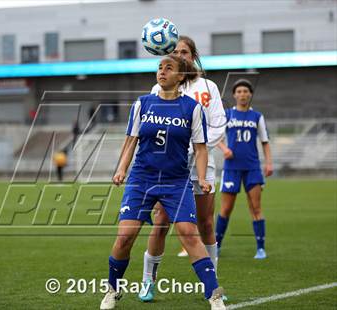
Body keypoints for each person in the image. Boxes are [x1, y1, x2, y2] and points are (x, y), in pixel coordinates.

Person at [100, 55, 226, 310]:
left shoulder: (192, 108)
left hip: (176, 181)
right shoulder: (142, 104)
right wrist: (121, 169)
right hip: (142, 179)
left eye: (169, 68)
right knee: (125, 237)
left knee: (190, 235)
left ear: (181, 77)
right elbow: (131, 141)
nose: (162, 71)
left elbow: (200, 149)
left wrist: (201, 178)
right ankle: (112, 290)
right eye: (159, 67)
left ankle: (214, 295)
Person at [138, 35, 226, 302]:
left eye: (184, 52)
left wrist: (197, 149)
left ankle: (212, 285)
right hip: (167, 167)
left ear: (193, 56)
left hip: (202, 164)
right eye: (174, 51)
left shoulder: (207, 86)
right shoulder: (159, 88)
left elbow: (218, 124)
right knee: (161, 223)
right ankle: (147, 281)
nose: (179, 55)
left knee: (206, 223)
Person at [215, 79, 273, 259]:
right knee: (225, 209)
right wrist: (225, 149)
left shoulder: (257, 117)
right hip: (231, 168)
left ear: (250, 95)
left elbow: (265, 142)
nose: (242, 94)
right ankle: (216, 247)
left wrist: (269, 163)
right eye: (239, 91)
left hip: (252, 168)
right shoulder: (226, 115)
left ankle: (260, 248)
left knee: (256, 208)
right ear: (234, 95)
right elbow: (215, 137)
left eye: (245, 91)